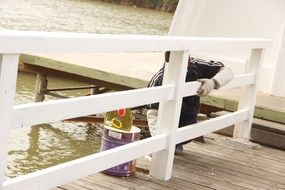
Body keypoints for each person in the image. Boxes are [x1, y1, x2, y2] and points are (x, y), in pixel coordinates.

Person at [146, 51, 234, 155]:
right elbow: (152, 113)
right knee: (165, 138)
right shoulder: (159, 81)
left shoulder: (197, 65)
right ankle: (168, 142)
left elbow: (228, 71)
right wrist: (159, 143)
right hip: (166, 120)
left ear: (188, 61)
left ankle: (177, 143)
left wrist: (213, 82)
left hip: (188, 116)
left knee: (189, 130)